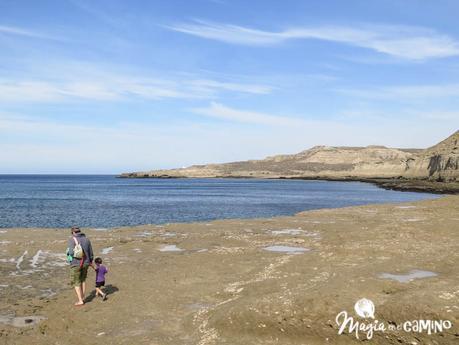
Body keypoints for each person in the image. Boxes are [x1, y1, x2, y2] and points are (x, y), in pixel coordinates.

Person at [67, 226, 94, 306]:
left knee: (76, 281)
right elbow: (91, 253)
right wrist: (90, 261)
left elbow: (71, 253)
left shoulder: (72, 239)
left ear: (73, 232)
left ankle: (80, 300)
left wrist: (68, 254)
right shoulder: (87, 239)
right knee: (83, 280)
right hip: (86, 263)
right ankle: (82, 297)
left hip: (76, 264)